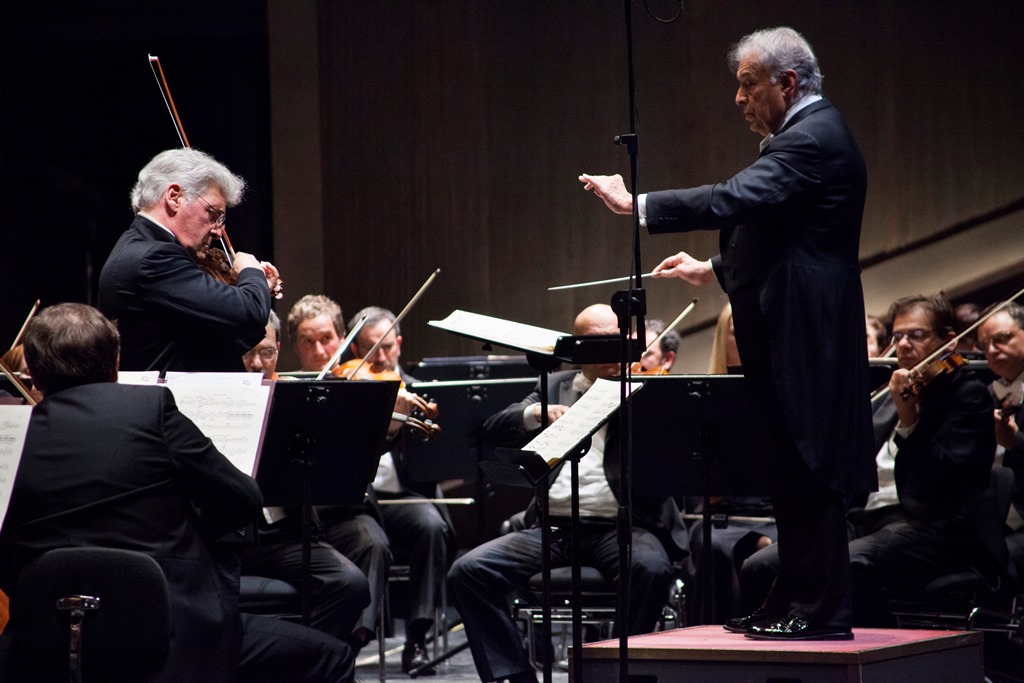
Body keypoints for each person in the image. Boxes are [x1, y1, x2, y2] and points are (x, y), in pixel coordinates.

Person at [580, 27, 876, 640]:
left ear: (787, 82)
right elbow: (784, 231)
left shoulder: (813, 137)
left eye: (747, 85)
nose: (738, 101)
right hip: (788, 327)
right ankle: (791, 599)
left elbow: (740, 198)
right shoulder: (800, 137)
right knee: (786, 467)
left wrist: (636, 203)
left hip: (806, 335)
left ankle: (821, 613)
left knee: (808, 465)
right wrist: (711, 268)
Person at [0, 303, 351, 682]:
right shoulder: (149, 408)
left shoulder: (12, 435)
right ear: (115, 361)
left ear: (33, 375)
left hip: (45, 644)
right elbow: (244, 498)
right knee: (332, 657)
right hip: (169, 635)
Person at [448, 304, 688, 683]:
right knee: (468, 571)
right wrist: (536, 415)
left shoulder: (643, 388)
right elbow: (495, 427)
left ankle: (617, 670)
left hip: (621, 527)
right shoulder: (554, 385)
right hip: (553, 528)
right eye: (595, 345)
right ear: (577, 348)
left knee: (651, 569)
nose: (608, 354)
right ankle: (514, 675)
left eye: (615, 343)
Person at [742, 295, 998, 627]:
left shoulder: (966, 394)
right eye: (898, 336)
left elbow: (945, 478)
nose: (904, 345)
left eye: (917, 335)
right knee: (761, 565)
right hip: (864, 520)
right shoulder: (892, 393)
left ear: (948, 340)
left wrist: (910, 421)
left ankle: (873, 659)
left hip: (931, 526)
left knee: (849, 565)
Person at [238, 311, 373, 649]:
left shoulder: (297, 399)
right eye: (246, 351)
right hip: (226, 540)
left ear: (279, 350)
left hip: (282, 537)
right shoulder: (213, 396)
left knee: (350, 583)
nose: (256, 363)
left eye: (266, 352)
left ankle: (313, 665)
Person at [98, 148, 282, 373]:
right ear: (174, 197)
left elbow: (205, 348)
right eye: (214, 215)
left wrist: (258, 290)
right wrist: (252, 272)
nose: (218, 232)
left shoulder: (140, 248)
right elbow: (250, 314)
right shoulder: (154, 258)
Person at [347, 306, 455, 675]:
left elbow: (439, 459)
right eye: (368, 349)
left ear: (399, 344)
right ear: (353, 351)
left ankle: (417, 640)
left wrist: (407, 419)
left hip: (402, 499)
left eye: (387, 347)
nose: (379, 357)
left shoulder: (418, 392)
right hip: (359, 501)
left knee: (431, 525)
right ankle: (349, 641)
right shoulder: (345, 388)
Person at [687, 304, 776, 623]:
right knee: (715, 548)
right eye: (738, 332)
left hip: (775, 512)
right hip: (723, 513)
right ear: (724, 337)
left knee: (772, 547)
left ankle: (766, 627)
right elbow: (693, 473)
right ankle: (713, 637)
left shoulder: (781, 391)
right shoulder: (704, 393)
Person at [977, 302, 1024, 577]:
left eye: (1002, 339)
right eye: (985, 345)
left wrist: (1015, 440)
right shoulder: (984, 395)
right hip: (989, 520)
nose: (992, 350)